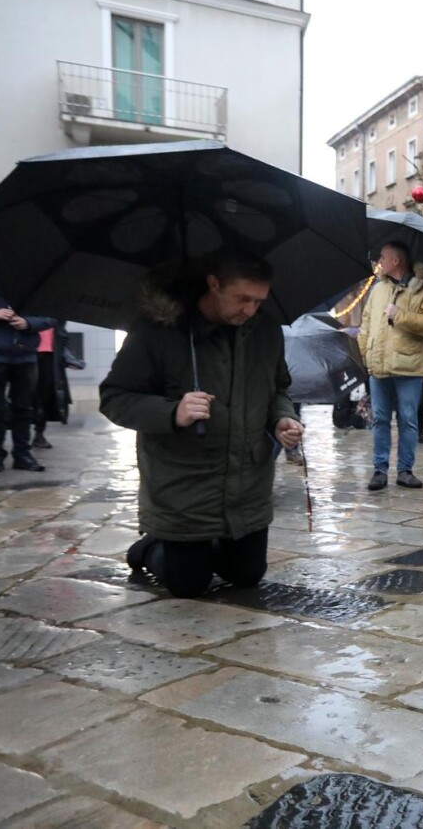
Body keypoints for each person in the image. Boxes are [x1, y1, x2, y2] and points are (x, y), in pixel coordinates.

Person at [101, 252, 302, 599]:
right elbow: (115, 397)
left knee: (246, 576)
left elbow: (278, 388)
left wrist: (282, 417)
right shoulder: (158, 331)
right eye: (242, 299)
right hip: (185, 486)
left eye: (258, 301)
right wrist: (171, 412)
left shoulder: (266, 331)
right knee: (189, 585)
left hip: (247, 485)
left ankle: (200, 550)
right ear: (214, 284)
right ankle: (149, 549)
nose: (250, 310)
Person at [358, 241, 423, 491]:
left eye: (382, 258)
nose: (379, 263)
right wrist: (364, 355)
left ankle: (405, 470)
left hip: (409, 367)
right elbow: (366, 324)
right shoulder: (377, 290)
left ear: (396, 261)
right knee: (380, 419)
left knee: (408, 420)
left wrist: (400, 316)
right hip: (378, 366)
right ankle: (379, 470)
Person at [0, 284, 54, 473]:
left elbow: (53, 317)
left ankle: (22, 454)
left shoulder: (38, 285)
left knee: (24, 409)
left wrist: (29, 323)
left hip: (25, 356)